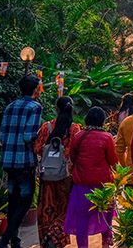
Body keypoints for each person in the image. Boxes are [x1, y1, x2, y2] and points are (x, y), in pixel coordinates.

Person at [0, 74, 43, 248]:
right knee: (25, 201)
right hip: (24, 160)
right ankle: (5, 239)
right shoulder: (35, 107)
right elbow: (28, 135)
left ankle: (14, 239)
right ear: (35, 89)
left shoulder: (10, 106)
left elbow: (1, 134)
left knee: (13, 199)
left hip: (8, 159)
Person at [65, 107, 117, 248]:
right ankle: (106, 244)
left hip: (81, 185)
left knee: (82, 220)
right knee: (106, 216)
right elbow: (113, 160)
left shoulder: (78, 136)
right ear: (102, 121)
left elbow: (72, 157)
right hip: (103, 185)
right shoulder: (107, 137)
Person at [34, 96, 80, 248]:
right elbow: (74, 152)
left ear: (56, 108)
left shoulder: (47, 127)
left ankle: (47, 235)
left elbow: (37, 148)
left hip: (47, 175)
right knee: (63, 209)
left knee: (47, 207)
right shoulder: (75, 129)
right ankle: (56, 237)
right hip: (66, 177)